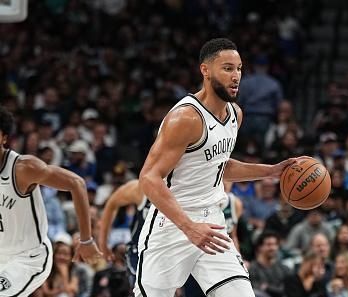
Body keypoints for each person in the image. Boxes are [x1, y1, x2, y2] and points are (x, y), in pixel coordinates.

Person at [135, 38, 297, 297]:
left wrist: (271, 171)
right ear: (205, 70)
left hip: (212, 221)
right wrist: (189, 227)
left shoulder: (235, 114)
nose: (236, 77)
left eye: (240, 69)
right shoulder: (186, 118)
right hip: (173, 224)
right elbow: (148, 178)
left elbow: (219, 166)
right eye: (228, 68)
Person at [0, 106, 102, 297]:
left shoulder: (23, 168)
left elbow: (77, 183)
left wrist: (86, 239)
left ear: (4, 137)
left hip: (28, 258)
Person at [98, 179, 150, 287]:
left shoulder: (184, 189)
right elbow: (112, 203)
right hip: (141, 253)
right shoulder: (141, 188)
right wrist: (103, 244)